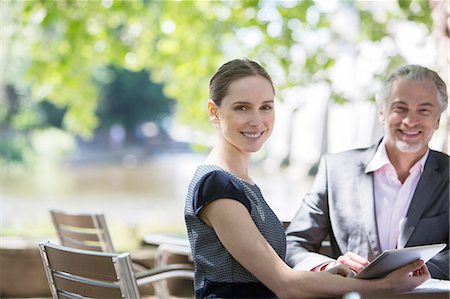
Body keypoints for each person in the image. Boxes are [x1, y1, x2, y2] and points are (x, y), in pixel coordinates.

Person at [184, 59, 429, 299]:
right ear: (214, 112)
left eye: (266, 107)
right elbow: (285, 285)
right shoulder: (216, 185)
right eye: (242, 107)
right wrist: (387, 286)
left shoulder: (238, 181)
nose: (257, 120)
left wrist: (328, 276)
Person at [286, 64, 449, 280]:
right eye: (400, 108)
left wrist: (409, 272)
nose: (410, 120)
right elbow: (293, 243)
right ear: (382, 112)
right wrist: (327, 267)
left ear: (437, 120)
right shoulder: (335, 170)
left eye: (424, 110)